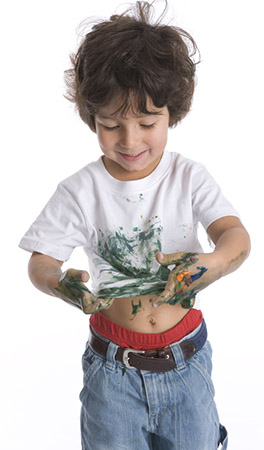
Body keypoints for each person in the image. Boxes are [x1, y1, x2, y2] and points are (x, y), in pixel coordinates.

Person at [19, 1, 250, 449]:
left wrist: (215, 263)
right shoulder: (80, 190)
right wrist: (58, 282)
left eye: (147, 122)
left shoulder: (189, 177)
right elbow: (41, 261)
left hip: (186, 363)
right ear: (91, 118)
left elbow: (235, 236)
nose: (130, 141)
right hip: (112, 372)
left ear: (173, 113)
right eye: (110, 125)